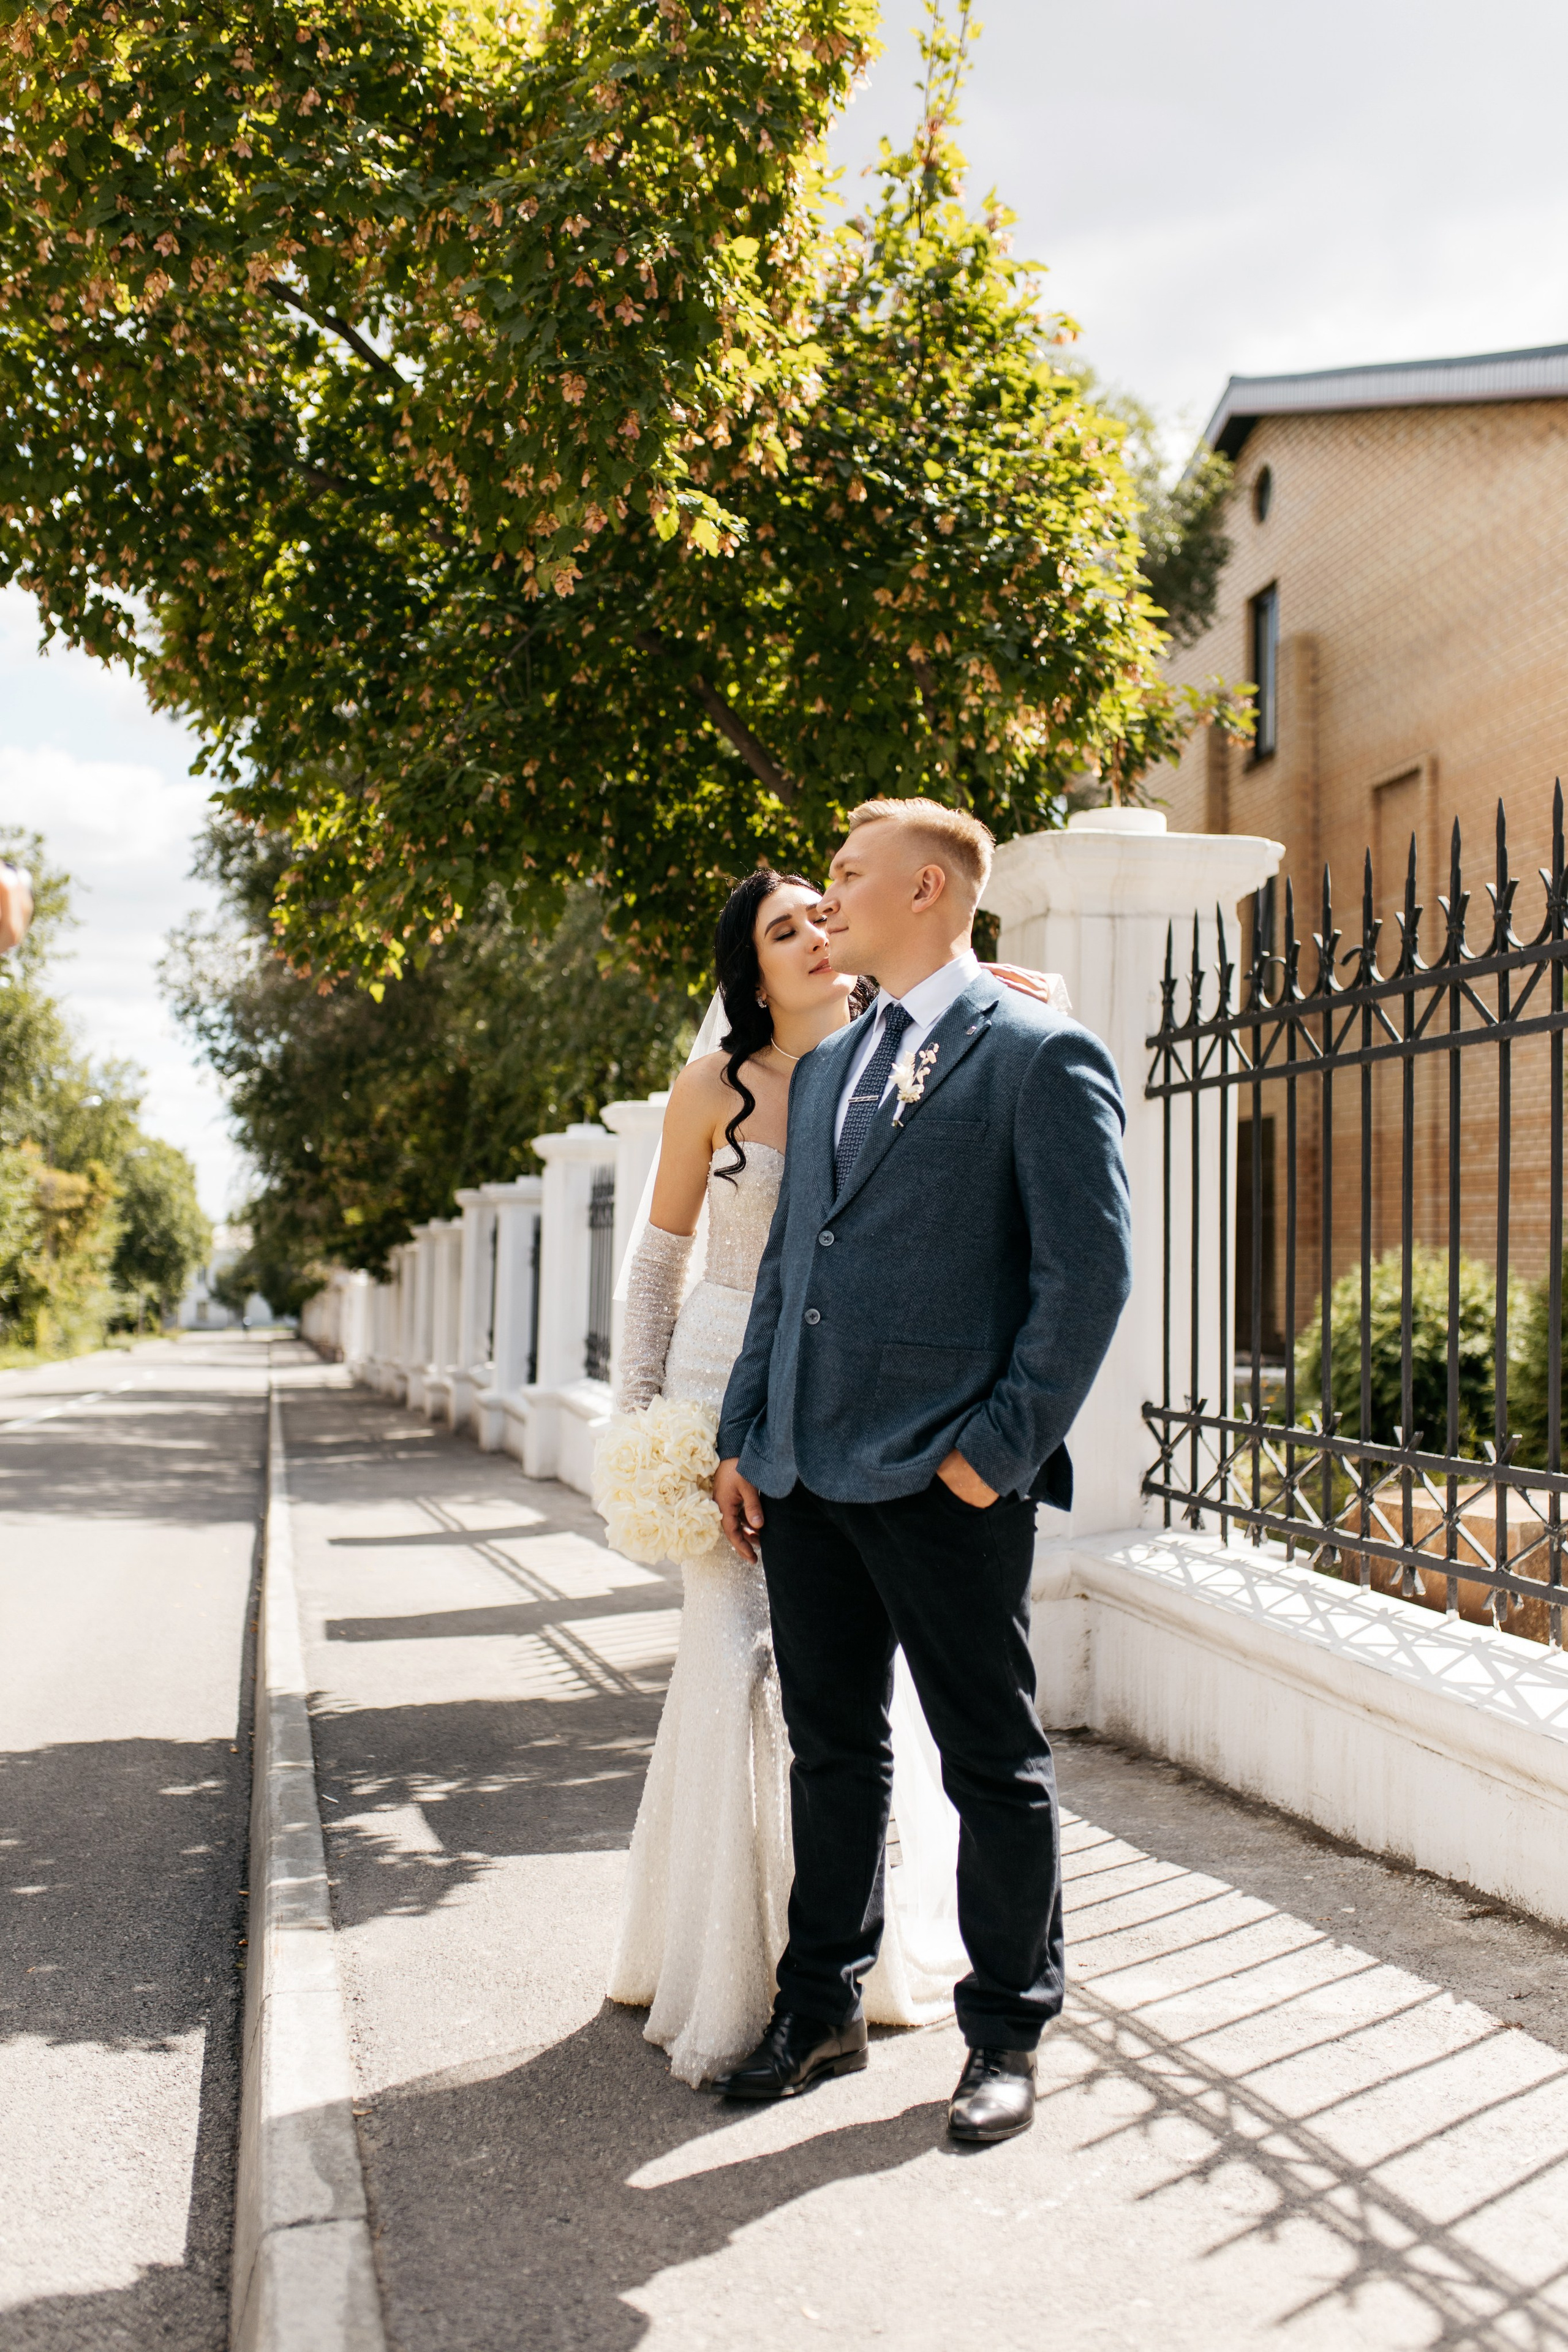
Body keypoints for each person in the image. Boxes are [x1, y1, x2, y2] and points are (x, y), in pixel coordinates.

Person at [712, 797, 1133, 2144]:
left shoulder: (1038, 1053)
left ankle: (1005, 2032)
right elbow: (790, 1266)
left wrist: (990, 1455)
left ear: (930, 889)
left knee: (990, 1762)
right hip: (804, 1472)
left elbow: (1087, 1279)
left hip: (944, 1477)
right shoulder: (831, 1061)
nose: (827, 896)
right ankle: (820, 2007)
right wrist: (745, 1435)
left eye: (848, 873)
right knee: (833, 1754)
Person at [605, 869, 973, 2087]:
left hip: (843, 1400)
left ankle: (845, 1967)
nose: (816, 933)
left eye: (822, 913)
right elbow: (657, 1263)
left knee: (844, 1687)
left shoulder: (896, 1053)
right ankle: (722, 1970)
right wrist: (642, 1430)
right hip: (715, 1384)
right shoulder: (713, 1087)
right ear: (749, 972)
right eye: (784, 928)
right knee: (731, 1664)